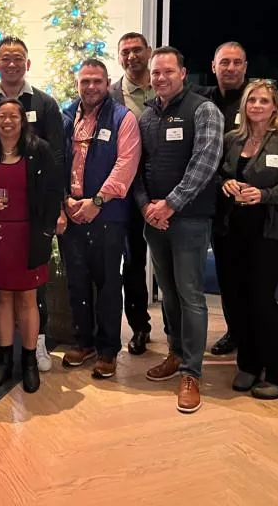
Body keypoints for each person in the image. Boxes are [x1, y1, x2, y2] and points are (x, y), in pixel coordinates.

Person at [0, 37, 65, 373]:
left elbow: (57, 160)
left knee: (33, 287)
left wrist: (58, 208)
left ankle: (38, 344)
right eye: (6, 58)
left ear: (27, 63)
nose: (12, 63)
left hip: (31, 219)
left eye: (18, 57)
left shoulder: (45, 104)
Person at [135, 46, 223, 414]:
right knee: (168, 294)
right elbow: (137, 167)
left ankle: (192, 372)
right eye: (155, 72)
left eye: (168, 71)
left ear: (183, 73)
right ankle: (175, 352)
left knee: (190, 295)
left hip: (189, 219)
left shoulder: (204, 110)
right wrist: (146, 207)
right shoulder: (146, 116)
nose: (160, 78)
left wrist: (170, 203)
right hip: (154, 220)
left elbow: (205, 161)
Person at [214, 80, 278, 399]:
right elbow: (217, 173)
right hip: (232, 229)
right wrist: (225, 183)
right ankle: (248, 364)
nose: (256, 105)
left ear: (275, 107)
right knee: (236, 298)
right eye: (251, 100)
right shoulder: (231, 139)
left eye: (263, 101)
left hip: (269, 230)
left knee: (261, 298)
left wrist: (266, 194)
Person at [0, 99, 62, 394]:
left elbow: (53, 189)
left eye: (13, 116)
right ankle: (5, 361)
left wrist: (49, 226)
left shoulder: (39, 150)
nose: (7, 121)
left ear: (23, 120)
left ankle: (29, 362)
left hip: (29, 235)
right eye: (1, 116)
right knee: (2, 298)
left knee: (28, 298)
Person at [61, 59, 141, 379]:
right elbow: (55, 160)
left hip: (108, 214)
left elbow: (126, 164)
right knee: (76, 280)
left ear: (108, 83)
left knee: (108, 283)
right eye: (85, 81)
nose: (91, 87)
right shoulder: (66, 117)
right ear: (77, 84)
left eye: (97, 81)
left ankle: (108, 350)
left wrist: (96, 202)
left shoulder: (123, 118)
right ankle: (84, 342)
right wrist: (64, 200)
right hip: (72, 212)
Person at [196, 41, 250, 357]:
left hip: (250, 203)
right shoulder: (202, 100)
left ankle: (256, 336)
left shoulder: (256, 100)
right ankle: (235, 331)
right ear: (213, 66)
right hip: (214, 204)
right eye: (224, 62)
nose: (230, 68)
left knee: (252, 276)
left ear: (245, 67)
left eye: (236, 62)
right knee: (227, 274)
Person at [109, 32, 155, 355]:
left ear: (148, 52)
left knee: (170, 264)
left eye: (137, 50)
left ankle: (176, 332)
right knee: (133, 262)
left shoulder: (164, 85)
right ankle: (140, 326)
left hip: (163, 189)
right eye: (125, 51)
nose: (131, 56)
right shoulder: (111, 95)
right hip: (126, 193)